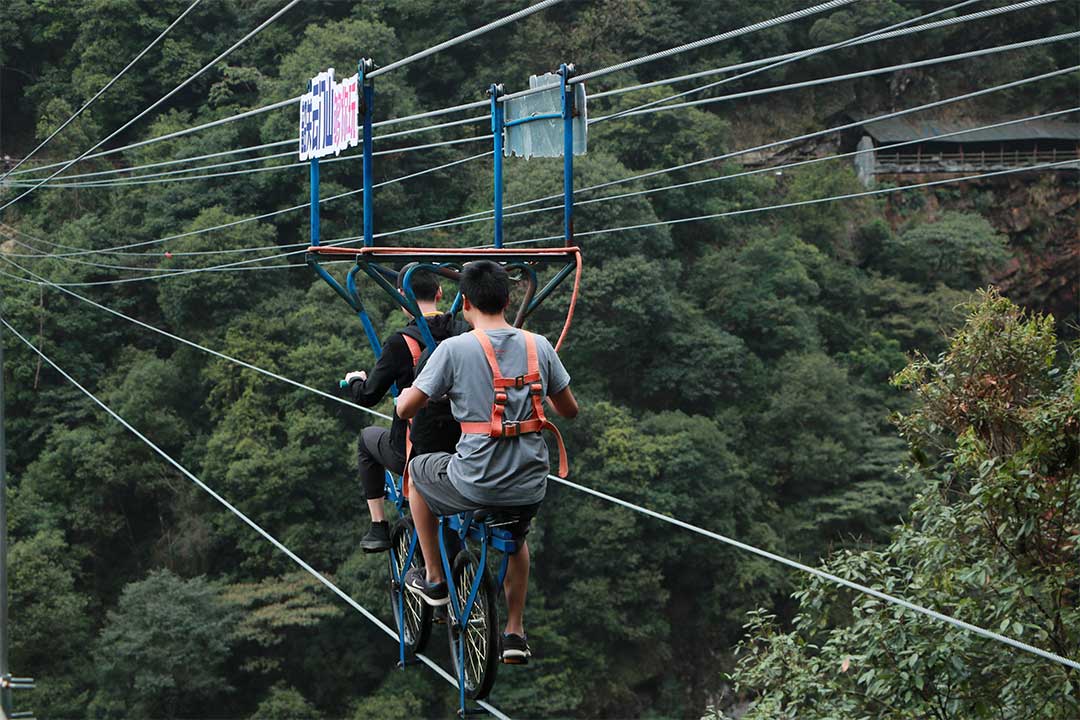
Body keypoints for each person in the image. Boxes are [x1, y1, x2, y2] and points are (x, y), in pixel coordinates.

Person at [396, 260, 578, 664]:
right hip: (531, 484)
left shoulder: (453, 349)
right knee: (516, 537)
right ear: (508, 299)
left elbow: (408, 409)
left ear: (465, 304)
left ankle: (435, 578)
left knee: (420, 470)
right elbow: (569, 410)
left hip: (474, 481)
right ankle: (514, 631)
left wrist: (403, 396)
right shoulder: (539, 346)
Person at [343, 269, 468, 552]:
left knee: (366, 439)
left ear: (402, 297)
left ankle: (378, 527)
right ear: (439, 293)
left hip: (413, 450)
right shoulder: (465, 333)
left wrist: (355, 382)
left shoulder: (400, 343)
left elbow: (368, 396)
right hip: (463, 447)